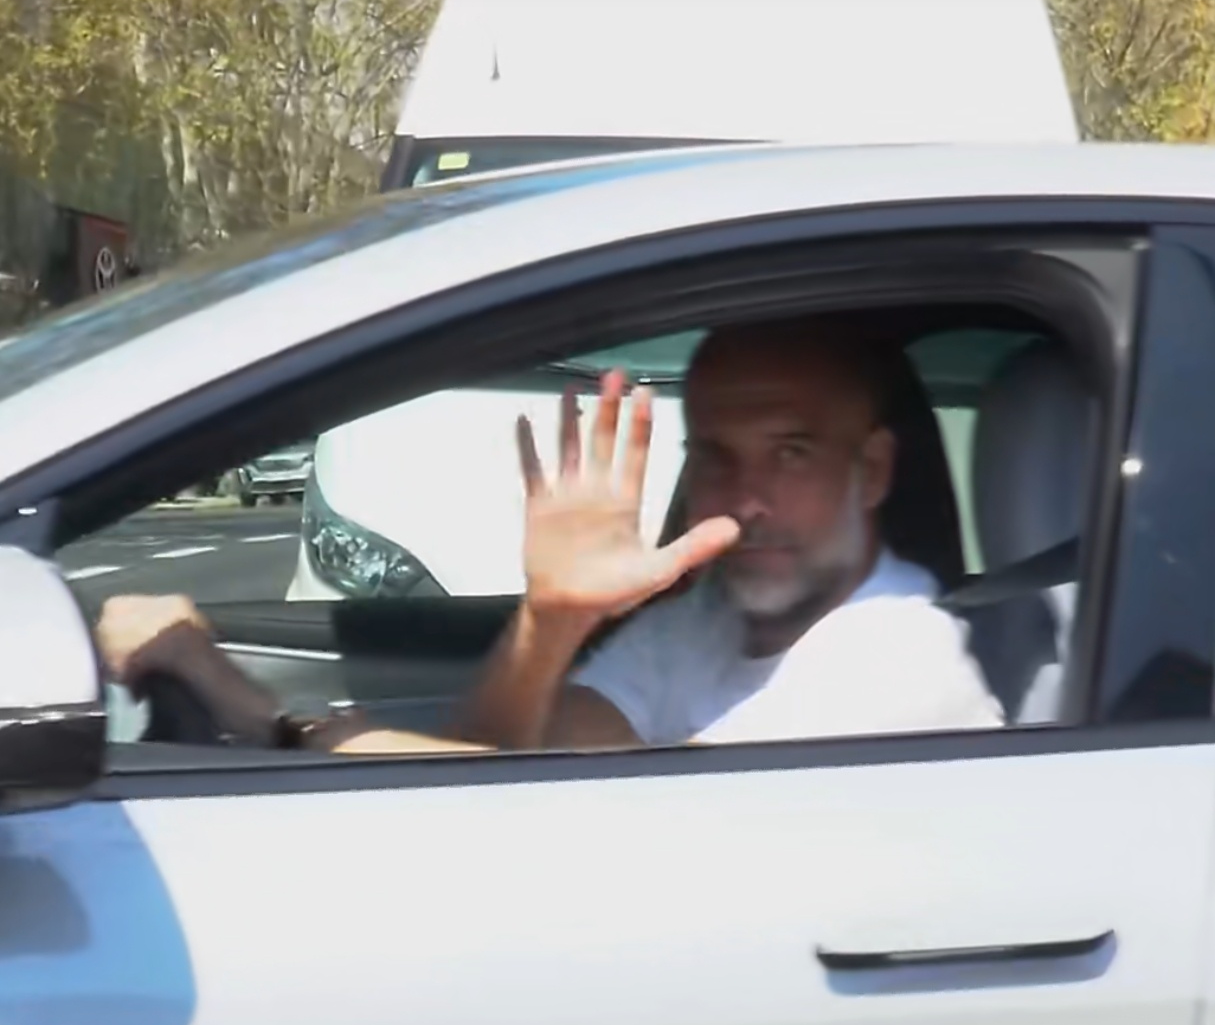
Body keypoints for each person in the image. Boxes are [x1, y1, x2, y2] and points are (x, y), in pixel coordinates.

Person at [95, 317, 1002, 754]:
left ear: (871, 470)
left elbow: (546, 832)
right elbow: (510, 770)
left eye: (791, 453)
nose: (746, 498)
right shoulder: (711, 623)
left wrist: (238, 701)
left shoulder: (899, 661)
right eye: (717, 455)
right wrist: (553, 618)